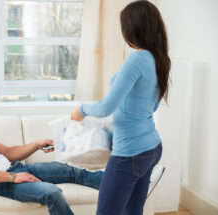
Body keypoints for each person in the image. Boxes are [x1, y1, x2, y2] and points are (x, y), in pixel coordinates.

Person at [71, 1, 170, 215]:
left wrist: (82, 109)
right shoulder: (159, 59)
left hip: (130, 154)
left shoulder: (137, 59)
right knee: (133, 212)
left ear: (133, 28)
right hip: (151, 148)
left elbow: (106, 107)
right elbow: (150, 108)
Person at [0, 89, 103, 215]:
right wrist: (13, 177)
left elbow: (8, 152)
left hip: (17, 170)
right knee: (52, 193)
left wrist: (36, 144)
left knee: (69, 170)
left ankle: (122, 184)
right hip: (0, 183)